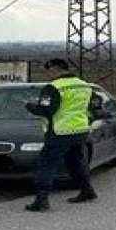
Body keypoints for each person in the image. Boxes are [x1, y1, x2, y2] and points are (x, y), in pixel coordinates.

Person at [22, 58, 97, 211]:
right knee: (75, 161)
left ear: (55, 69)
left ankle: (41, 200)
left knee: (46, 164)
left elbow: (46, 110)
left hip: (59, 131)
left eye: (48, 71)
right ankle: (87, 190)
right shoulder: (84, 85)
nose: (48, 74)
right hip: (80, 130)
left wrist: (29, 106)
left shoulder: (53, 87)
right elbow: (93, 106)